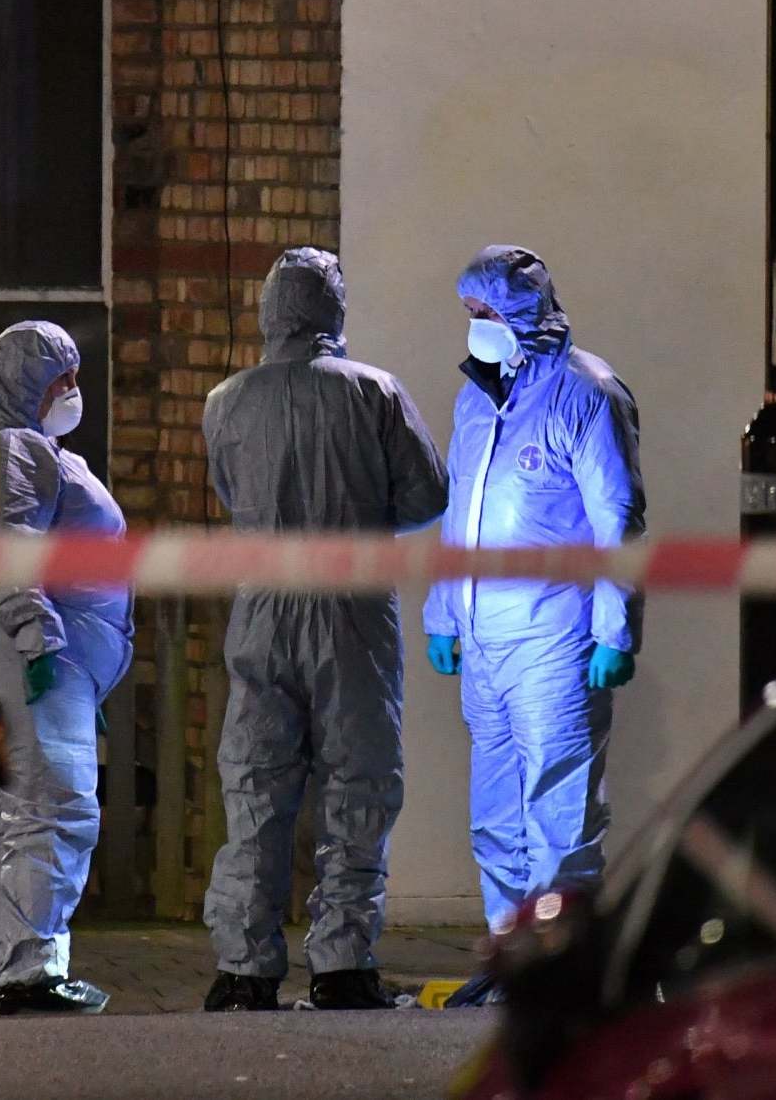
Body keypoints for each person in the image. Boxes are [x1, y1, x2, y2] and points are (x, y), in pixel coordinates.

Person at [200, 247, 450, 1012]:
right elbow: (425, 495)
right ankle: (342, 963)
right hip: (349, 608)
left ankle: (243, 969)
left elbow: (228, 491)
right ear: (332, 309)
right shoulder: (373, 393)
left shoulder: (225, 401)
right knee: (358, 784)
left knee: (254, 788)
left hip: (262, 604)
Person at [421, 246, 643, 1001]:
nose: (473, 327)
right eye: (468, 315)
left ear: (519, 312)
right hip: (486, 639)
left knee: (559, 812)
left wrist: (614, 629)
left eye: (483, 313)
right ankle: (513, 968)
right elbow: (460, 514)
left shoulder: (586, 395)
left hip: (555, 637)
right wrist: (444, 611)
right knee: (495, 816)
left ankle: (567, 979)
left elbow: (617, 518)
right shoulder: (478, 398)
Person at [0, 321, 133, 1015]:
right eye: (60, 379)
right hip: (40, 662)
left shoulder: (29, 453)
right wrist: (35, 632)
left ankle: (7, 964)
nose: (71, 391)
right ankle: (27, 971)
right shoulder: (19, 451)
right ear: (28, 386)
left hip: (49, 663)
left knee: (15, 812)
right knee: (50, 809)